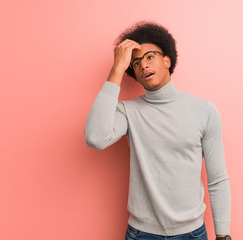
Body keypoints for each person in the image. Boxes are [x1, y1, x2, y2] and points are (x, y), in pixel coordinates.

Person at [84, 21, 232, 240]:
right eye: (135, 63)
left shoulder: (204, 110)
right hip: (141, 234)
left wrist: (223, 236)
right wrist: (116, 69)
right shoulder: (128, 111)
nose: (143, 65)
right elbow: (95, 138)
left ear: (167, 60)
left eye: (149, 57)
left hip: (192, 234)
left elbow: (217, 179)